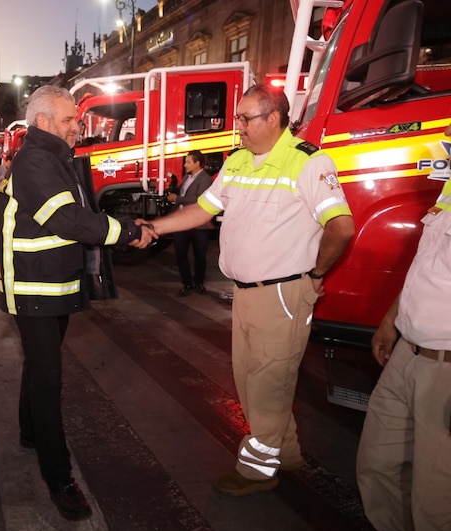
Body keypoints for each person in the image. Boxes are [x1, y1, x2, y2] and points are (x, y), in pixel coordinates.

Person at [149, 84, 355, 496]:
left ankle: (257, 470)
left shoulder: (308, 162)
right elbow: (200, 210)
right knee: (253, 378)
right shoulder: (239, 161)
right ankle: (289, 451)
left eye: (245, 118)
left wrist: (315, 276)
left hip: (282, 293)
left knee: (267, 382)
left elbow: (342, 226)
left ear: (273, 119)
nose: (236, 126)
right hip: (243, 293)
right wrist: (153, 228)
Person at [0, 85, 153, 520]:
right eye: (69, 119)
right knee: (49, 379)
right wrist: (124, 232)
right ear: (43, 122)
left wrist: (120, 224)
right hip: (34, 286)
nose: (77, 125)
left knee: (38, 365)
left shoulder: (54, 157)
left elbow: (78, 212)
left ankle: (30, 432)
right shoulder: (35, 160)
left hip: (56, 283)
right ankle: (59, 478)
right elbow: (67, 219)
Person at [355, 123, 451, 531]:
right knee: (377, 465)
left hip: (443, 370)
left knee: (435, 495)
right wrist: (390, 322)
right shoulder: (447, 196)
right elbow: (424, 267)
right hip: (406, 355)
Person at [166, 150, 213, 295]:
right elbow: (182, 193)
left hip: (198, 224)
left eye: (188, 162)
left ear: (197, 163)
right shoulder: (187, 177)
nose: (185, 165)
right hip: (182, 221)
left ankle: (199, 283)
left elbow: (199, 200)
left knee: (200, 255)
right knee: (180, 253)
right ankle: (187, 283)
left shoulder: (205, 179)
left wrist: (177, 199)